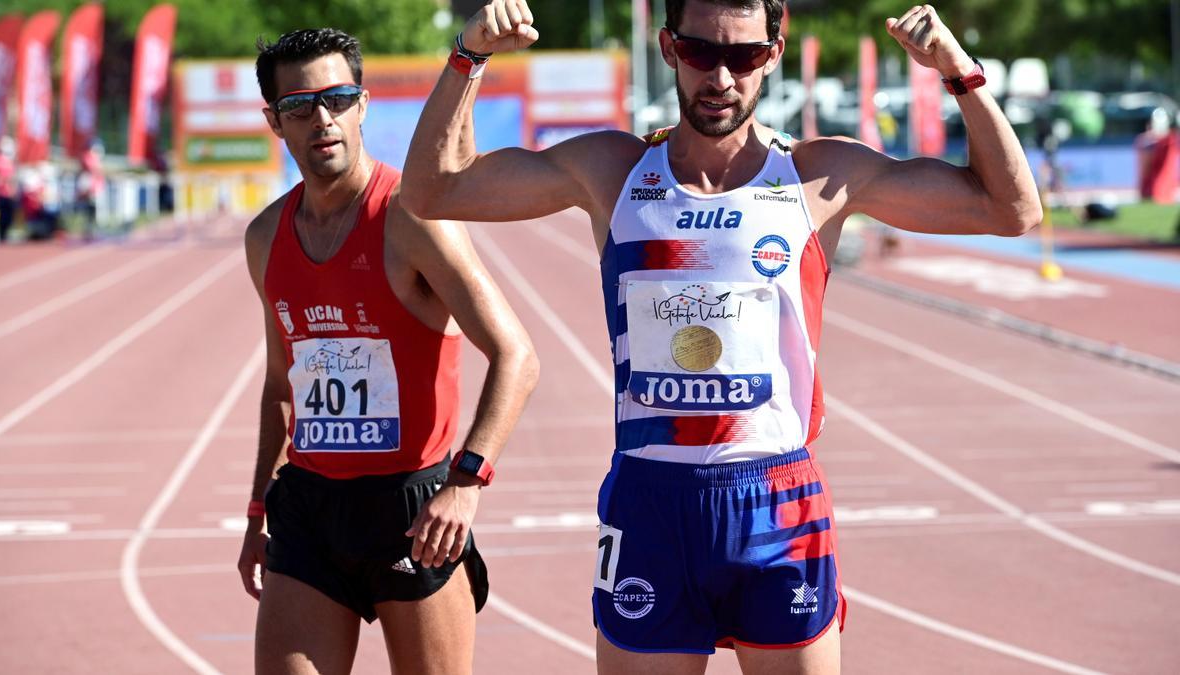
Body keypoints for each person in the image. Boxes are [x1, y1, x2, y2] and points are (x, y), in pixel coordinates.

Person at [402, 1, 1041, 673]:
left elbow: (1013, 209)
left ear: (774, 53)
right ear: (669, 48)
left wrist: (958, 71)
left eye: (744, 57)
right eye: (702, 53)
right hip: (651, 498)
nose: (722, 78)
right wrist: (468, 56)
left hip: (777, 498)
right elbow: (433, 188)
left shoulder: (819, 177)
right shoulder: (613, 170)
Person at [237, 28, 539, 675]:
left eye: (338, 98)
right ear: (274, 121)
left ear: (363, 105)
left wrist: (466, 482)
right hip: (310, 507)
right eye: (300, 106)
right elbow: (279, 386)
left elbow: (516, 353)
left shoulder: (410, 219)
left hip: (414, 509)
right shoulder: (265, 237)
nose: (323, 119)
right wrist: (259, 507)